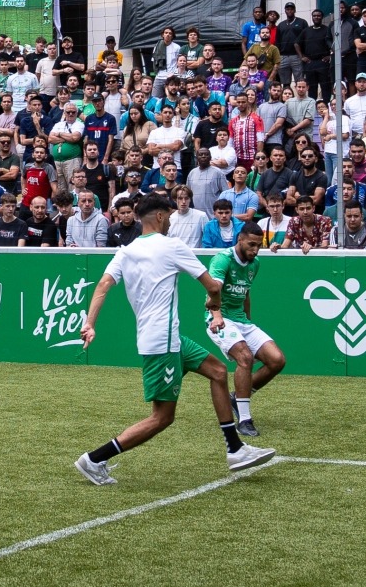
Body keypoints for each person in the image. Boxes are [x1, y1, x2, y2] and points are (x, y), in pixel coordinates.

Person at [74, 195, 275, 484]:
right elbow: (211, 285)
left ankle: (235, 449)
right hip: (162, 341)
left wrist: (90, 323)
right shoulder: (171, 246)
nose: (170, 221)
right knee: (162, 417)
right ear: (158, 216)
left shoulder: (125, 251)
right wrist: (214, 302)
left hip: (169, 337)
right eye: (168, 216)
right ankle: (94, 459)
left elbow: (103, 286)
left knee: (218, 372)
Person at [208, 222, 285, 435]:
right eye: (251, 244)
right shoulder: (223, 259)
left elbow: (246, 293)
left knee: (277, 360)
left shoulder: (255, 263)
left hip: (241, 321)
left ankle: (238, 397)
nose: (255, 249)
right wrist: (216, 316)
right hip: (218, 318)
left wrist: (248, 321)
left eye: (259, 245)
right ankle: (244, 419)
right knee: (245, 358)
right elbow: (213, 290)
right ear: (239, 239)